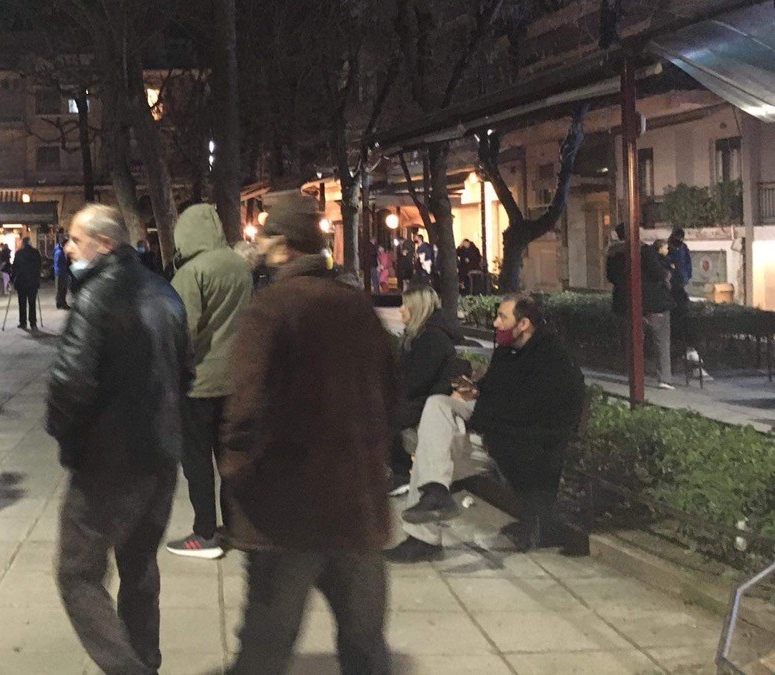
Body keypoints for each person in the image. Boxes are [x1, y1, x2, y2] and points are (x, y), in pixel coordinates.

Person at [221, 196, 394, 674]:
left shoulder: (271, 309)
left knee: (265, 647)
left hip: (288, 509)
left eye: (264, 236)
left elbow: (245, 410)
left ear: (281, 245)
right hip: (354, 503)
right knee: (364, 644)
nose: (258, 244)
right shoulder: (357, 306)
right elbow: (389, 394)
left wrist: (238, 477)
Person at [47, 205, 192, 675]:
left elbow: (69, 383)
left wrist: (67, 437)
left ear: (105, 244)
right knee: (139, 565)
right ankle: (146, 659)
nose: (68, 248)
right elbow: (186, 373)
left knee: (77, 574)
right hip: (160, 457)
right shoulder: (165, 293)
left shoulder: (95, 297)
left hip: (107, 464)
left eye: (76, 239)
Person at [387, 293, 586, 562]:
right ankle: (435, 495)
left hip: (522, 450)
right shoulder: (508, 351)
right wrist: (475, 391)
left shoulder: (553, 361)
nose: (495, 323)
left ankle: (424, 537)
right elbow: (495, 397)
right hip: (494, 435)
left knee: (430, 451)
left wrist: (480, 407)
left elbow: (523, 413)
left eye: (502, 317)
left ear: (524, 323)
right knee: (437, 406)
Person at [165, 204, 252, 560]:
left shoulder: (192, 272)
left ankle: (204, 533)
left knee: (197, 461)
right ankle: (236, 526)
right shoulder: (239, 266)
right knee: (229, 458)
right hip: (235, 379)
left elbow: (182, 329)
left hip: (199, 381)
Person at [390, 285, 467, 495]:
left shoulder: (432, 338)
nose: (401, 309)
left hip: (430, 401)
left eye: (405, 305)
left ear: (417, 308)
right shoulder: (419, 335)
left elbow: (416, 382)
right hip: (421, 398)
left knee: (383, 415)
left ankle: (400, 473)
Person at [606, 223, 675, 389]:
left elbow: (610, 277)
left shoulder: (613, 254)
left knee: (634, 341)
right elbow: (657, 272)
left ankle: (636, 374)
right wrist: (667, 274)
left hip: (626, 304)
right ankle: (664, 378)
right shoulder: (644, 250)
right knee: (661, 341)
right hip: (654, 303)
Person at [666, 227, 709, 380]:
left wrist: (685, 277)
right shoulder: (672, 249)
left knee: (681, 323)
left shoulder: (680, 249)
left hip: (678, 287)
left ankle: (686, 354)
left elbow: (687, 265)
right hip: (675, 287)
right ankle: (685, 354)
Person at [12, 236, 42, 330]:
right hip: (32, 281)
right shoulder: (35, 252)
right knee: (32, 303)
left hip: (21, 281)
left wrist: (13, 279)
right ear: (29, 243)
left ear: (23, 243)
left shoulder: (19, 253)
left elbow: (14, 268)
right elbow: (39, 266)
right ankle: (33, 323)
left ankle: (23, 322)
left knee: (22, 303)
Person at [54, 233, 71, 310]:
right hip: (60, 272)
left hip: (62, 272)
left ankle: (60, 303)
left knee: (62, 289)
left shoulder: (60, 251)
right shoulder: (60, 252)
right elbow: (58, 263)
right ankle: (61, 303)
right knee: (61, 289)